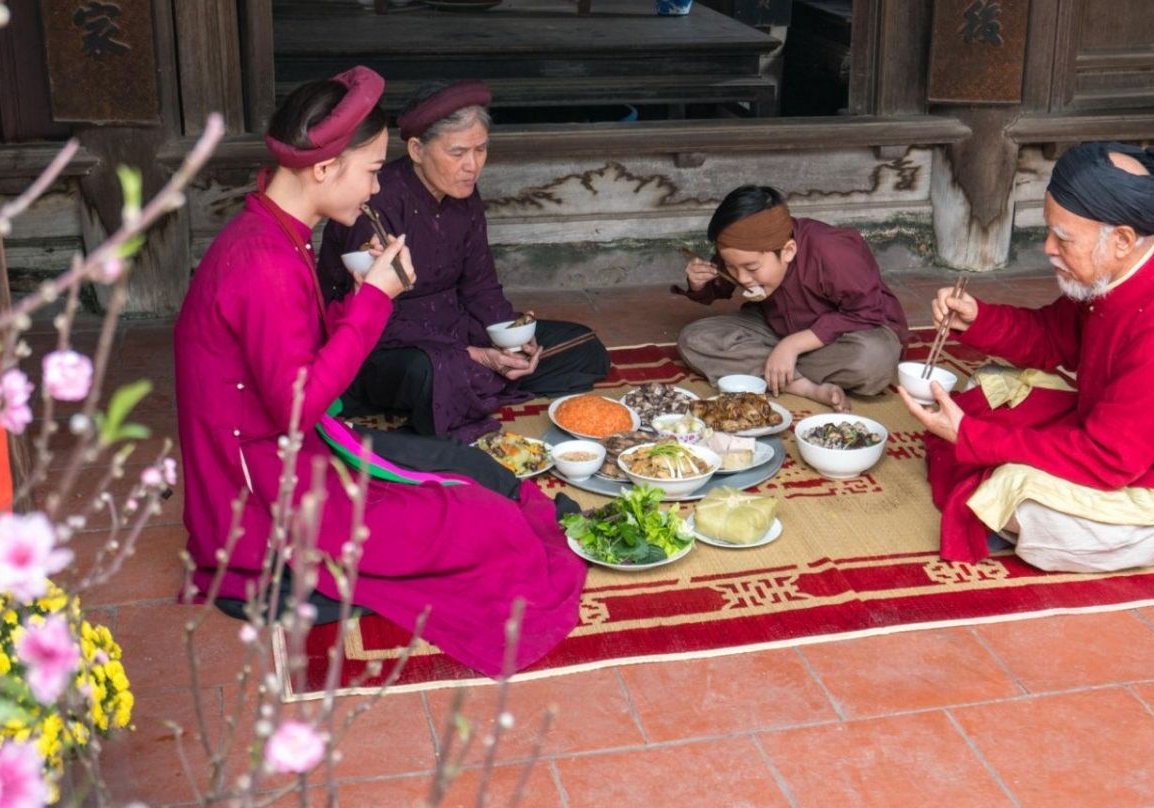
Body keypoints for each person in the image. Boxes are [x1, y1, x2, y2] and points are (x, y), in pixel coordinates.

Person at [174, 66, 585, 676]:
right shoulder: (263, 262)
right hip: (265, 492)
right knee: (480, 525)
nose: (374, 188)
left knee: (467, 467)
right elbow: (298, 407)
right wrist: (374, 300)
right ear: (323, 169)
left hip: (298, 450)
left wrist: (361, 295)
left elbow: (298, 352)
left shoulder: (275, 232)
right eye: (370, 170)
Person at [898, 141, 1154, 573]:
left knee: (1020, 498)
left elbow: (1108, 460)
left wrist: (973, 438)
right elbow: (1052, 337)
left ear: (1121, 240)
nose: (1049, 248)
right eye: (1050, 231)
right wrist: (978, 318)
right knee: (994, 383)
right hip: (1119, 441)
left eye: (1063, 238)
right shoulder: (1115, 277)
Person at [317, 80, 610, 443]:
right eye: (457, 153)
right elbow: (367, 313)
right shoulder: (374, 201)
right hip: (392, 343)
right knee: (431, 372)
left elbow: (480, 284)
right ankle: (468, 383)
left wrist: (510, 338)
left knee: (584, 347)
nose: (472, 166)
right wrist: (473, 354)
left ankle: (473, 383)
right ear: (417, 149)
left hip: (455, 326)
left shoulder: (465, 196)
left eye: (480, 150)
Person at [677, 186, 908, 410]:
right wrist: (699, 283)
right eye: (731, 267)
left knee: (873, 360)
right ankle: (802, 386)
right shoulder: (741, 246)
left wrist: (792, 345)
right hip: (775, 325)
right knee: (695, 339)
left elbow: (868, 311)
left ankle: (771, 368)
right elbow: (722, 284)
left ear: (788, 251)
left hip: (844, 336)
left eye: (752, 268)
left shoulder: (832, 250)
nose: (743, 278)